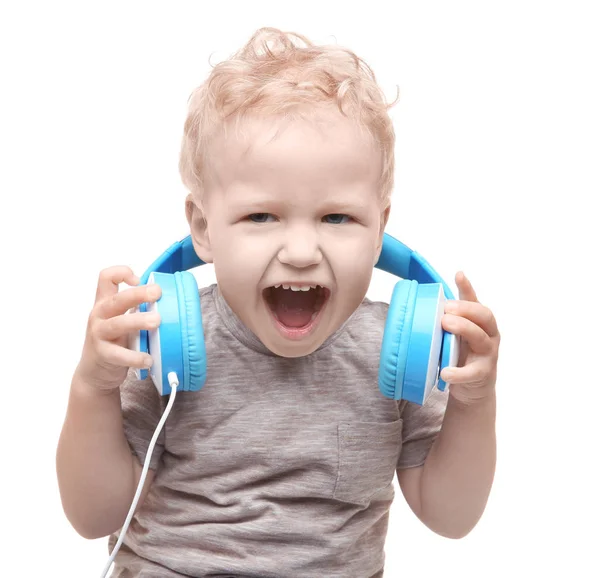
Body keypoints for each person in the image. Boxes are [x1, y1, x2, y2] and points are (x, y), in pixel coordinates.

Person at [56, 27, 500, 578]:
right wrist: (92, 388)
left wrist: (474, 404)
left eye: (337, 218)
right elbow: (93, 514)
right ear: (203, 227)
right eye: (261, 217)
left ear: (380, 230)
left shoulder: (402, 355)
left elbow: (451, 516)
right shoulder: (163, 342)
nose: (300, 250)